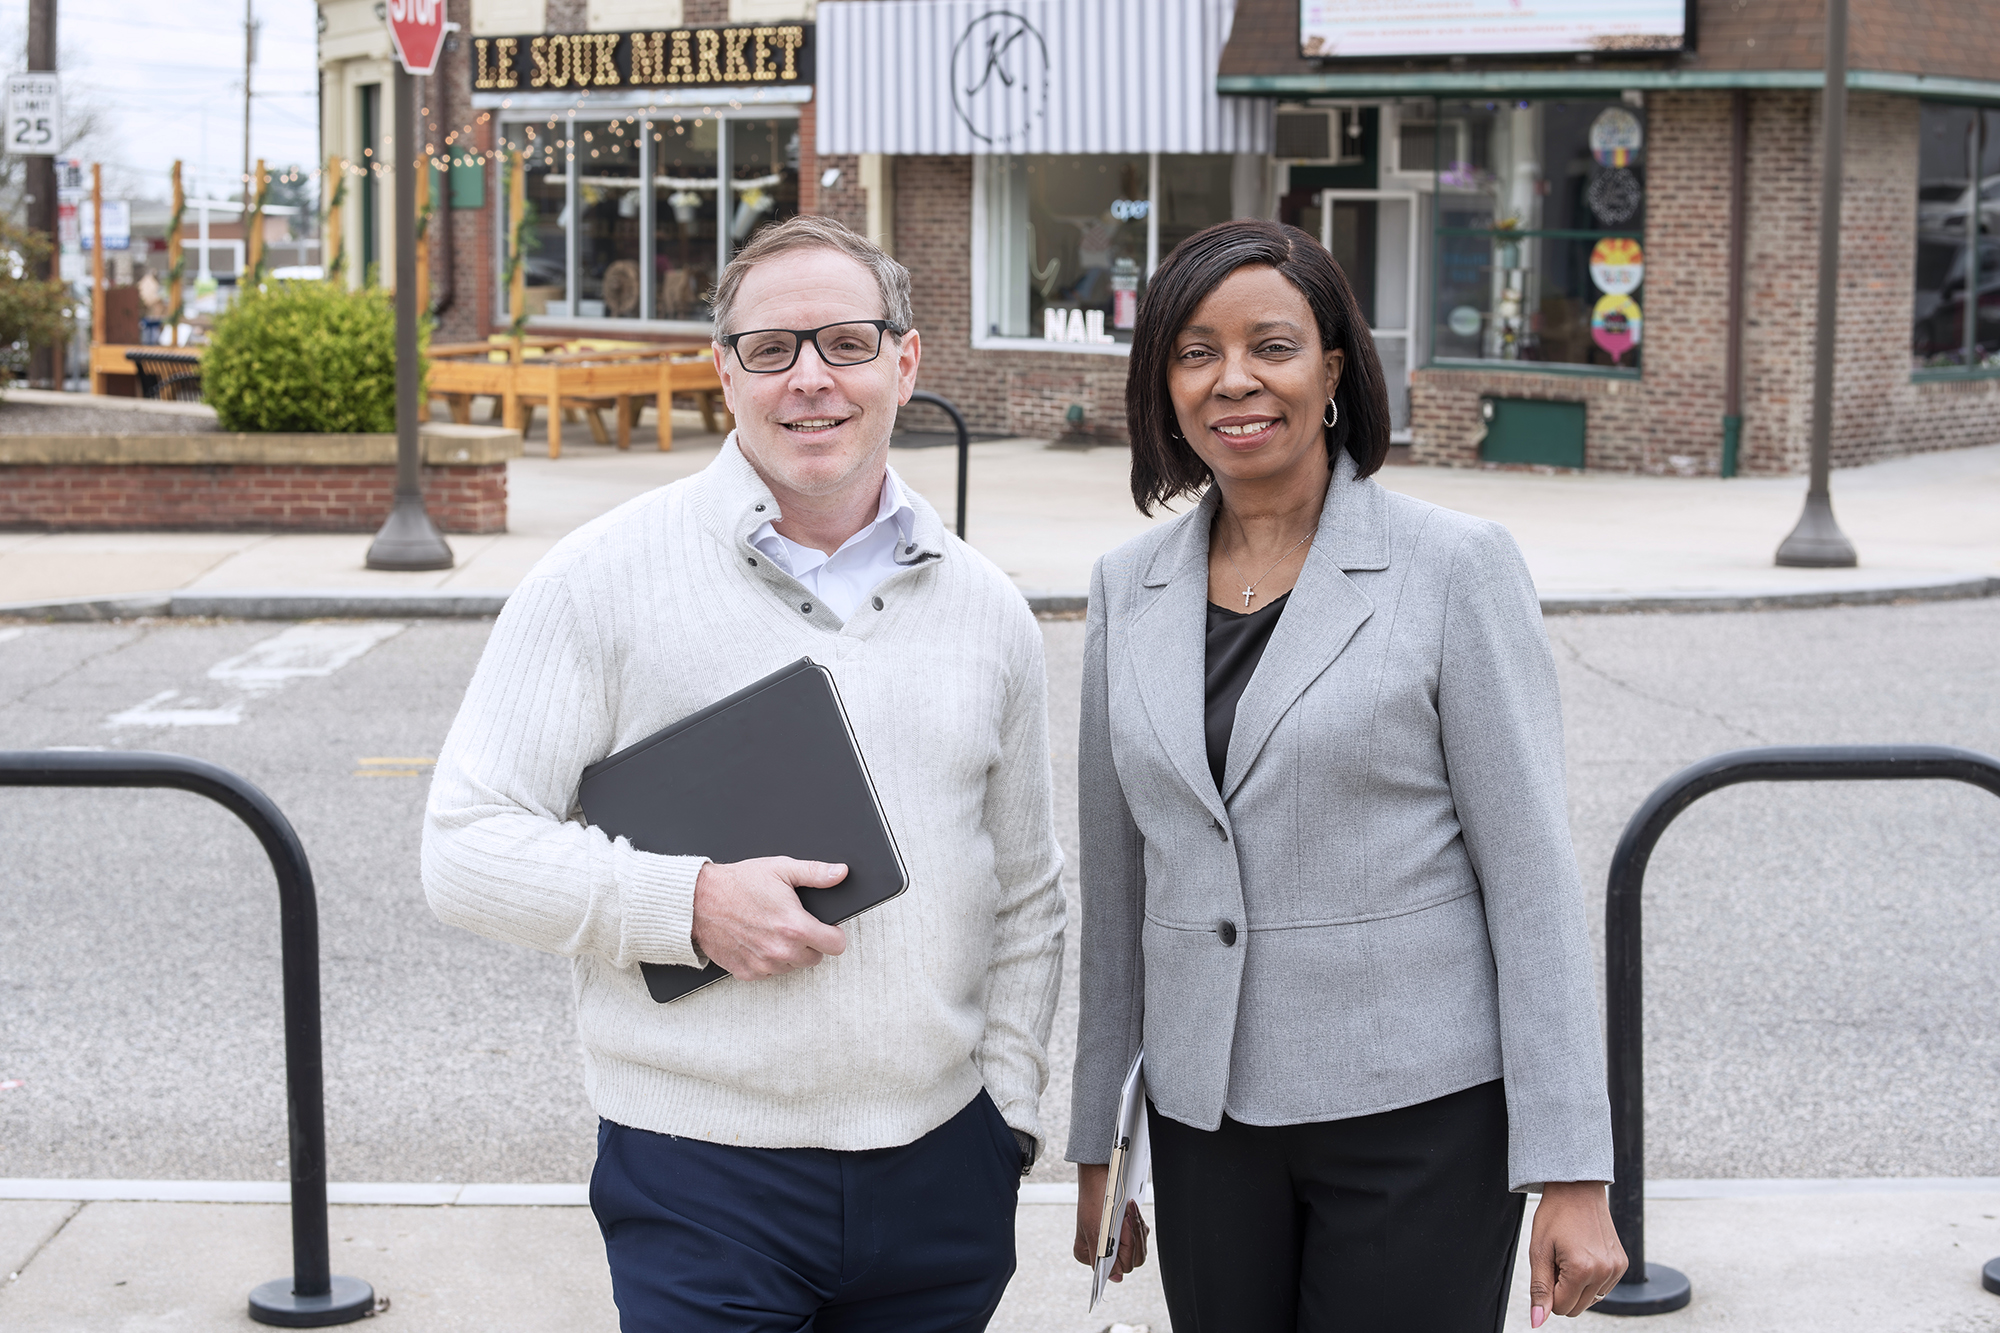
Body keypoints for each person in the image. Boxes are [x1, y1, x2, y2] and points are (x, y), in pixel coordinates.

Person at [423, 214, 1065, 1333]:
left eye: (847, 343)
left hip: (940, 1175)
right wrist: (687, 904)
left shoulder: (987, 609)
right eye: (770, 348)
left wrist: (1002, 1119)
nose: (809, 378)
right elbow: (465, 845)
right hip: (700, 1169)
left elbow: (1026, 893)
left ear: (904, 363)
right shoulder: (598, 580)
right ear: (724, 372)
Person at [1067, 218, 1626, 1331]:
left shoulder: (1453, 567)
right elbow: (1117, 893)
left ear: (1330, 368)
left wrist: (1573, 1169)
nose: (1233, 379)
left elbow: (1528, 881)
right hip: (1203, 1122)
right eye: (1192, 351)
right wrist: (1102, 1145)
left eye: (1269, 345)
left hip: (1414, 1117)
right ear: (1162, 385)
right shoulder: (1124, 589)